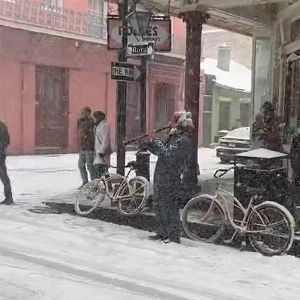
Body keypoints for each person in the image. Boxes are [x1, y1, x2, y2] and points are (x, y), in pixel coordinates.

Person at [145, 111, 193, 244]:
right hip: (162, 175)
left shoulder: (184, 141)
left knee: (169, 206)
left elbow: (168, 155)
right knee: (159, 205)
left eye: (173, 122)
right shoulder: (174, 137)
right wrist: (149, 144)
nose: (170, 124)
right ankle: (162, 232)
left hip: (171, 177)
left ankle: (173, 236)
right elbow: (161, 152)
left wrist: (156, 142)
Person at [77, 107, 96, 188]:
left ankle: (94, 183)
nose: (82, 114)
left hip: (90, 147)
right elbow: (80, 131)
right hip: (82, 147)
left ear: (89, 113)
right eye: (82, 112)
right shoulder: (80, 121)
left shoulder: (92, 122)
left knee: (90, 166)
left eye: (84, 112)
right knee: (81, 165)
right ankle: (85, 182)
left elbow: (91, 134)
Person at [93, 111, 112, 178]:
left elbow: (105, 139)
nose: (94, 119)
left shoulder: (104, 126)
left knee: (101, 169)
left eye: (95, 117)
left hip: (102, 153)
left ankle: (106, 186)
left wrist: (102, 151)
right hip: (99, 152)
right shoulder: (99, 126)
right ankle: (106, 186)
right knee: (101, 170)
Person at [0, 120, 13, 205]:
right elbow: (8, 141)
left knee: (3, 175)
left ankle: (8, 198)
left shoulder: (1, 127)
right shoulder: (3, 125)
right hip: (1, 153)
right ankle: (9, 197)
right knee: (3, 176)